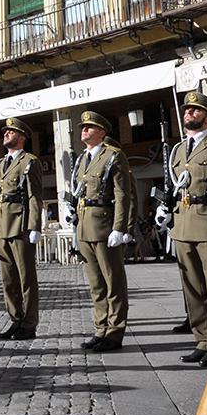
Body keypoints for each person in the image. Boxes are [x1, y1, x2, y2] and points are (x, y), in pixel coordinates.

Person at [156, 92, 207, 368]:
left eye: (195, 110)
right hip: (183, 225)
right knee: (192, 288)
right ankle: (202, 340)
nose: (188, 113)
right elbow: (176, 186)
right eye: (187, 110)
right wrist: (165, 209)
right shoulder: (179, 149)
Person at [63, 112, 132, 353]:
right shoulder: (83, 159)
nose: (84, 130)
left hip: (104, 226)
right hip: (85, 227)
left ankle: (115, 332)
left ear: (102, 132)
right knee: (96, 284)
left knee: (113, 283)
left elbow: (123, 195)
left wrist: (120, 228)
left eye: (90, 127)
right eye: (83, 127)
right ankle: (101, 328)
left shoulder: (113, 156)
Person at [0, 117, 43, 341]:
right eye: (5, 132)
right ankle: (15, 319)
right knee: (8, 279)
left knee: (26, 278)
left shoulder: (30, 162)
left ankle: (29, 324)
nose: (6, 134)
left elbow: (34, 196)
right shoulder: (1, 164)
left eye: (11, 132)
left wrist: (35, 226)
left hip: (20, 227)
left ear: (22, 138)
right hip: (2, 226)